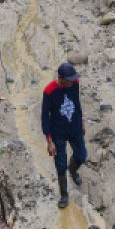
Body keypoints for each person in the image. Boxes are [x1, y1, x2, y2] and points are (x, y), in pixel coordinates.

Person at [41, 61, 86, 209]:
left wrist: (82, 121)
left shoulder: (75, 83)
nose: (72, 82)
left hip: (75, 127)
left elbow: (77, 103)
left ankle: (72, 170)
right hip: (57, 132)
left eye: (73, 79)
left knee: (81, 156)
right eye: (69, 80)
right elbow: (45, 117)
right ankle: (64, 194)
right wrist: (49, 141)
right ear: (61, 79)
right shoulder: (49, 91)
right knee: (60, 165)